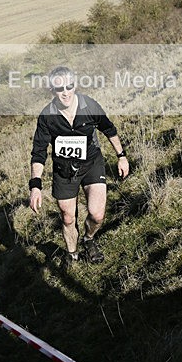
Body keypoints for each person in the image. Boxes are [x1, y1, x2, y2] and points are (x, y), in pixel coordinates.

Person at [29, 66, 129, 265]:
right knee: (67, 218)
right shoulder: (47, 116)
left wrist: (122, 156)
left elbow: (108, 129)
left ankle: (89, 239)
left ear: (75, 85)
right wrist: (35, 186)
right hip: (64, 171)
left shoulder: (89, 105)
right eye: (60, 88)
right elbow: (39, 152)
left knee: (97, 214)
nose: (65, 92)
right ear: (52, 90)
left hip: (92, 163)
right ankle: (72, 253)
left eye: (70, 86)